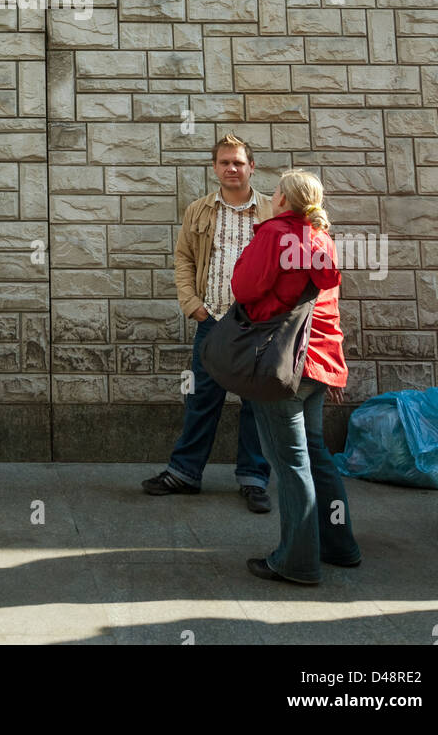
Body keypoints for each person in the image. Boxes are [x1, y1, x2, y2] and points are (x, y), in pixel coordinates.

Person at [230, 168, 361, 584]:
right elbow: (326, 309)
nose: (270, 197)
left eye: (275, 192)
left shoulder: (276, 234)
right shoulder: (322, 239)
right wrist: (333, 371)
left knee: (290, 465)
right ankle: (339, 545)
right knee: (316, 455)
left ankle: (297, 562)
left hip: (283, 366)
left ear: (284, 200)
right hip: (318, 363)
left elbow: (244, 288)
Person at [142, 134, 274, 512]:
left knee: (256, 404)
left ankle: (254, 478)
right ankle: (185, 473)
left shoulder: (271, 211)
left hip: (257, 325)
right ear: (214, 167)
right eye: (224, 162)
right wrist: (192, 304)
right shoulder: (199, 211)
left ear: (252, 167)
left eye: (238, 162)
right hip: (212, 320)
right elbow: (183, 259)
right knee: (201, 397)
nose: (231, 168)